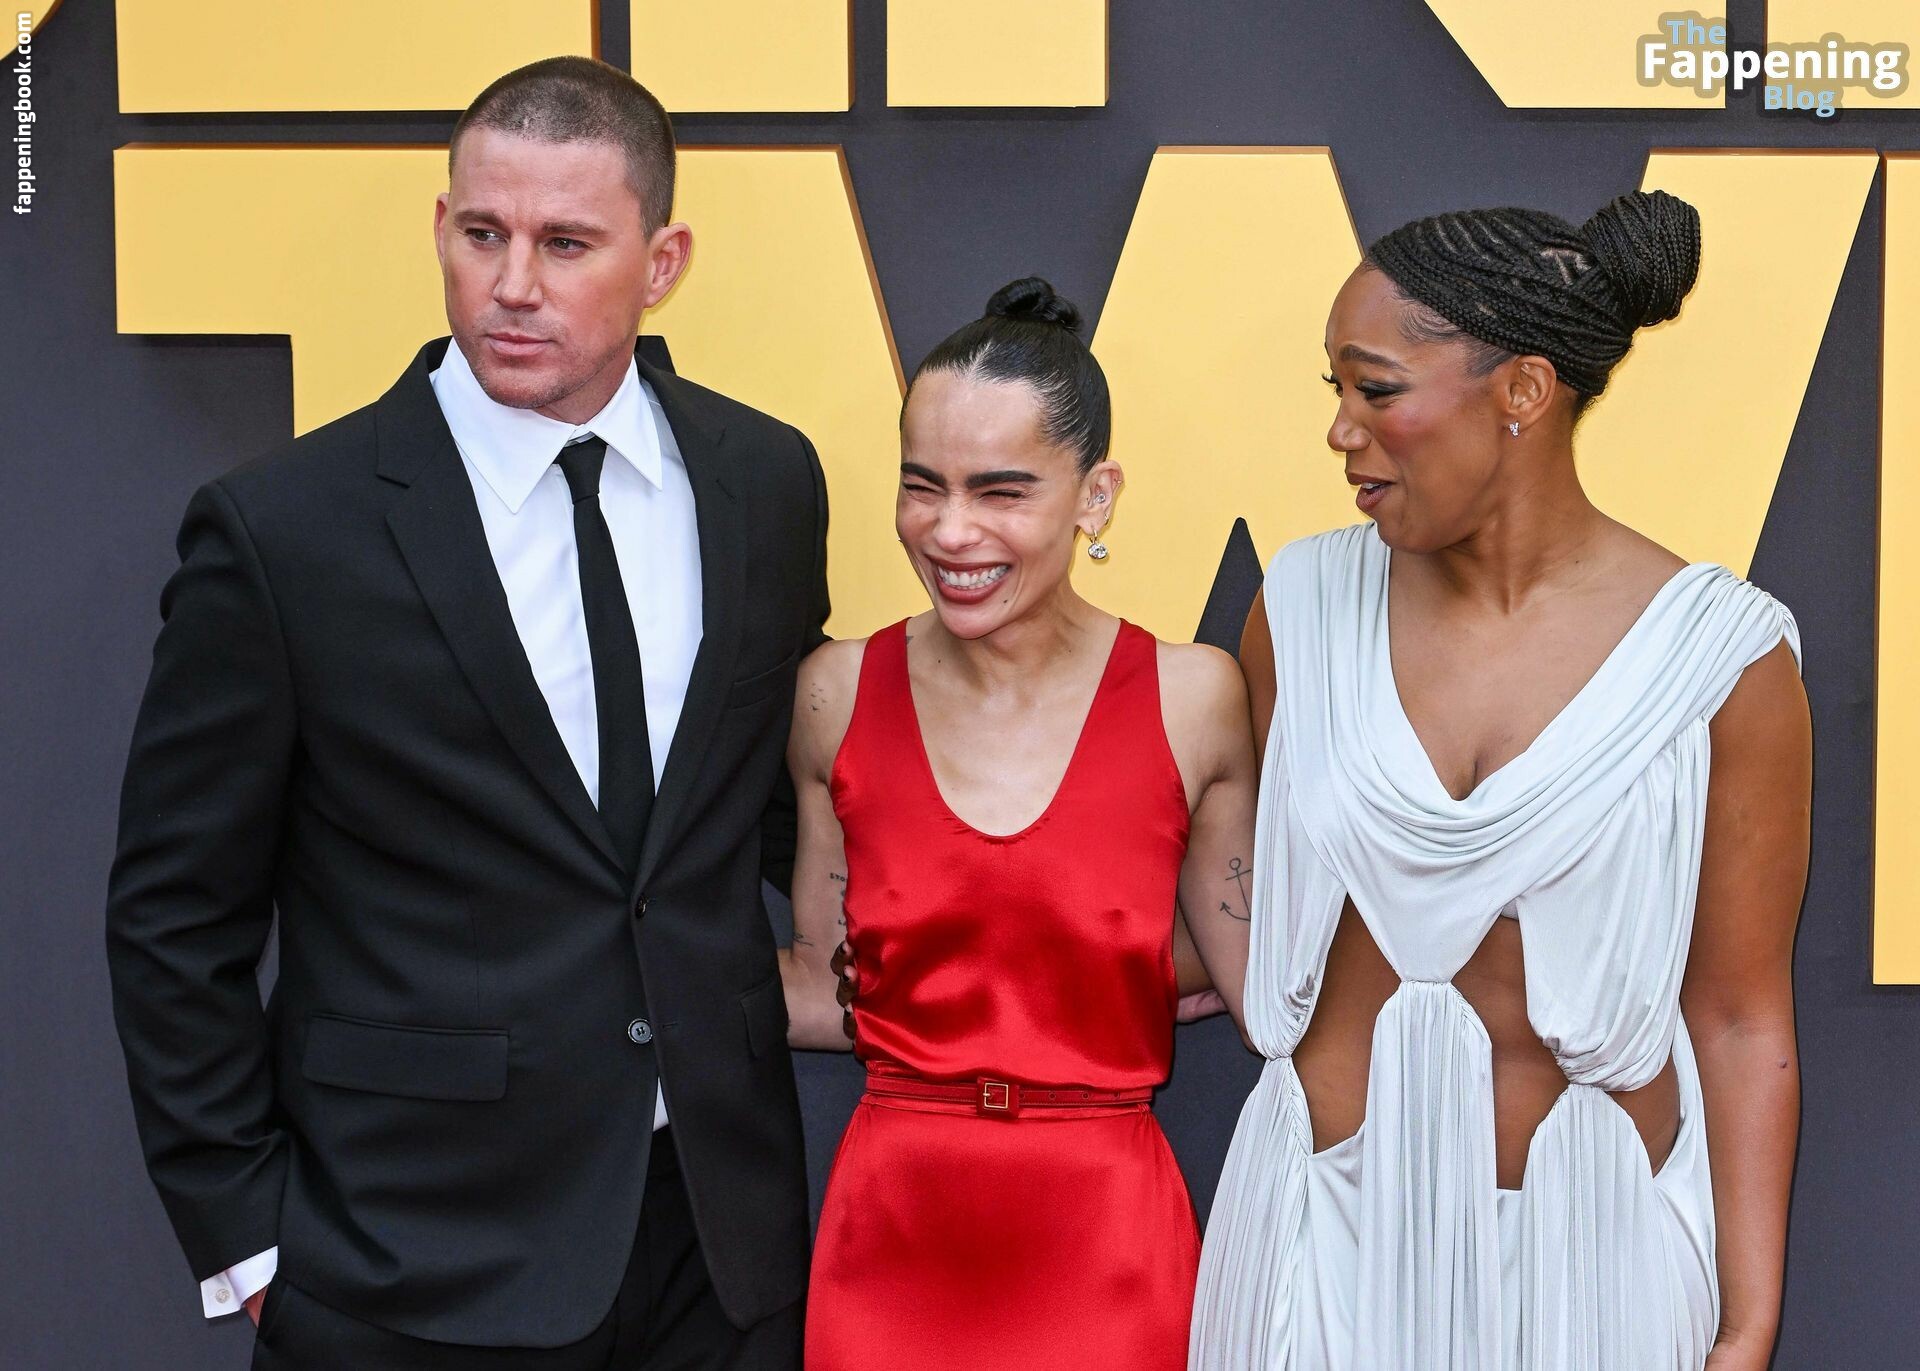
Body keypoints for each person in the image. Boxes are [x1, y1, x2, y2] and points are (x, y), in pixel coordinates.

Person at [105, 56, 824, 1368]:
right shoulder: (287, 530)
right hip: (406, 1267)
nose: (513, 284)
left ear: (662, 262)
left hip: (718, 1251)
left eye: (567, 244)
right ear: (440, 227)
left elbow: (775, 811)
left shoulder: (764, 483)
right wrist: (252, 1241)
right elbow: (176, 912)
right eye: (483, 234)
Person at [1188, 190, 1811, 1371]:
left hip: (1593, 1269)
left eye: (1377, 391)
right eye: (1335, 392)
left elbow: (1739, 1016)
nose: (1341, 432)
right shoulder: (1302, 609)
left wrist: (1748, 1323)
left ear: (1523, 391)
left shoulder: (1722, 658)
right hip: (1326, 1253)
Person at [780, 279, 1256, 1370]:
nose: (951, 531)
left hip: (1107, 1249)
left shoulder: (1192, 697)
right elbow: (824, 979)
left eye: (1001, 491)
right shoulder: (835, 693)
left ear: (1096, 496)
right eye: (922, 486)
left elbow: (1255, 979)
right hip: (889, 1241)